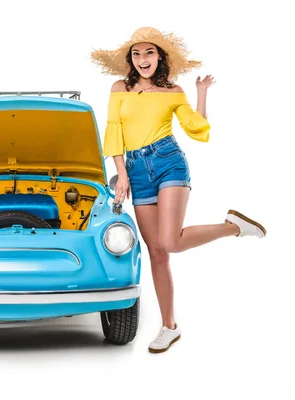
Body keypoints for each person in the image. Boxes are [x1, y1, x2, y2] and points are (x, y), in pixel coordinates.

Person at [91, 27, 266, 354]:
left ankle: (233, 228)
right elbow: (113, 131)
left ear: (160, 57)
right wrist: (122, 174)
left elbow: (195, 127)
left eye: (149, 53)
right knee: (157, 252)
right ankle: (169, 327)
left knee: (169, 242)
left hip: (168, 160)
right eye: (137, 54)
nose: (143, 60)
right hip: (136, 169)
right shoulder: (119, 88)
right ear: (131, 59)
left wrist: (201, 92)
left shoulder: (173, 91)